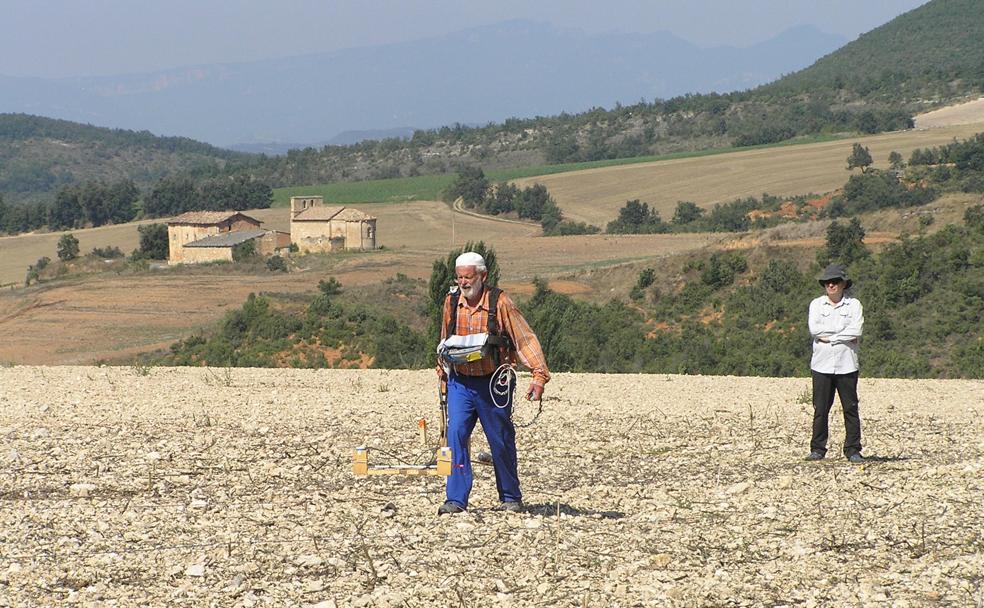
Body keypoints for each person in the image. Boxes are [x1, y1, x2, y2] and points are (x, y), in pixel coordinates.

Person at [435, 252, 550, 515]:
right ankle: (455, 499)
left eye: (469, 277)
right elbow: (445, 339)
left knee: (500, 439)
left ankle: (510, 496)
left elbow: (524, 339)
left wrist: (538, 376)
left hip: (493, 384)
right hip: (460, 383)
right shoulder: (451, 302)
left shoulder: (501, 302)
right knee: (456, 435)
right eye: (460, 277)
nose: (463, 282)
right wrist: (441, 370)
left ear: (483, 276)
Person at [806, 264, 865, 463]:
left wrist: (830, 337)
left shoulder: (854, 305)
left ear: (843, 284)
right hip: (821, 365)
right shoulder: (816, 305)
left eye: (835, 282)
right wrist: (843, 336)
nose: (831, 285)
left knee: (850, 407)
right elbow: (815, 330)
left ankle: (853, 449)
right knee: (821, 408)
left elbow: (856, 331)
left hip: (846, 364)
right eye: (827, 282)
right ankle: (817, 448)